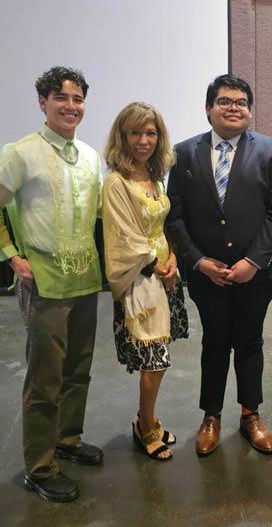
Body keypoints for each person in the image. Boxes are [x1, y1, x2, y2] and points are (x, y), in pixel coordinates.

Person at [0, 66, 104, 502]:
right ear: (42, 103)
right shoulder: (22, 152)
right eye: (61, 98)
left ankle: (68, 440)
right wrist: (11, 257)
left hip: (86, 279)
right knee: (45, 380)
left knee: (78, 370)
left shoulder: (88, 155)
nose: (71, 106)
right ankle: (40, 466)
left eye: (78, 99)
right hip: (45, 284)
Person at [165, 74, 272, 456]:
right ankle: (211, 415)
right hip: (208, 276)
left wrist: (254, 261)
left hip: (256, 273)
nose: (233, 107)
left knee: (250, 342)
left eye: (240, 102)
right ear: (208, 109)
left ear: (249, 111)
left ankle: (251, 413)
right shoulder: (184, 153)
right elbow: (175, 217)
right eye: (224, 101)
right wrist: (198, 261)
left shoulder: (270, 151)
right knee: (215, 342)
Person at [100, 102, 190, 461]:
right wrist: (157, 263)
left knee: (161, 357)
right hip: (140, 278)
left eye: (150, 132)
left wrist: (173, 260)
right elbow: (124, 236)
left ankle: (147, 417)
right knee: (154, 357)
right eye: (135, 132)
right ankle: (145, 427)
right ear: (122, 136)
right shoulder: (116, 181)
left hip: (164, 273)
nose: (143, 140)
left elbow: (163, 226)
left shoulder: (155, 177)